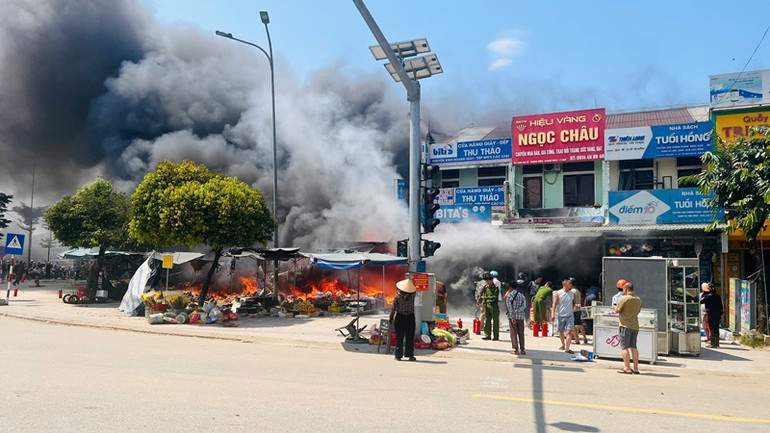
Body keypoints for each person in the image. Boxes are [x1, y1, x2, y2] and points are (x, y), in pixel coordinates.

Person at [615, 281, 642, 374]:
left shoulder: (624, 298)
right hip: (635, 326)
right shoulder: (638, 299)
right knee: (633, 347)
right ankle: (635, 368)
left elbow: (617, 310)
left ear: (625, 289)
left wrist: (614, 307)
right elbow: (638, 311)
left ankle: (627, 368)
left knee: (624, 347)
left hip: (625, 326)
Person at [390, 278, 417, 361]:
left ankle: (398, 355)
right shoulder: (413, 296)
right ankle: (410, 355)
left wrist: (391, 317)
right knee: (410, 337)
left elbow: (393, 308)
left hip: (400, 318)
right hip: (410, 318)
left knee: (399, 337)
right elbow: (415, 292)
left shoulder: (397, 296)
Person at [552, 277, 577, 354]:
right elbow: (554, 304)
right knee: (561, 331)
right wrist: (553, 314)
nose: (571, 285)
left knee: (569, 332)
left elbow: (573, 303)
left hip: (570, 315)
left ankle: (567, 348)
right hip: (561, 315)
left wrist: (576, 305)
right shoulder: (558, 293)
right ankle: (563, 344)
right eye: (570, 283)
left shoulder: (572, 294)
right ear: (565, 284)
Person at [505, 279, 528, 355]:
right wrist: (518, 310)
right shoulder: (521, 295)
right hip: (521, 317)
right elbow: (524, 306)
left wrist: (512, 316)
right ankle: (522, 349)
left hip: (513, 317)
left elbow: (509, 307)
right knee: (521, 333)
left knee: (513, 334)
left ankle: (516, 349)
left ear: (510, 287)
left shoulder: (509, 296)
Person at [700, 282, 723, 348]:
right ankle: (716, 343)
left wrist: (705, 292)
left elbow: (701, 301)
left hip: (711, 314)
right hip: (718, 313)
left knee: (712, 328)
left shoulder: (708, 296)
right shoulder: (717, 296)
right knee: (716, 328)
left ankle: (713, 343)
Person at [480, 273, 500, 340]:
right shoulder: (486, 287)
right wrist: (483, 301)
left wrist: (486, 298)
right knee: (487, 320)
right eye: (486, 281)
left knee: (495, 321)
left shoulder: (496, 288)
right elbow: (485, 295)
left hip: (494, 306)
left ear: (491, 280)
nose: (487, 282)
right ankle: (487, 335)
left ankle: (496, 336)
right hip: (487, 305)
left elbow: (495, 297)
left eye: (488, 280)